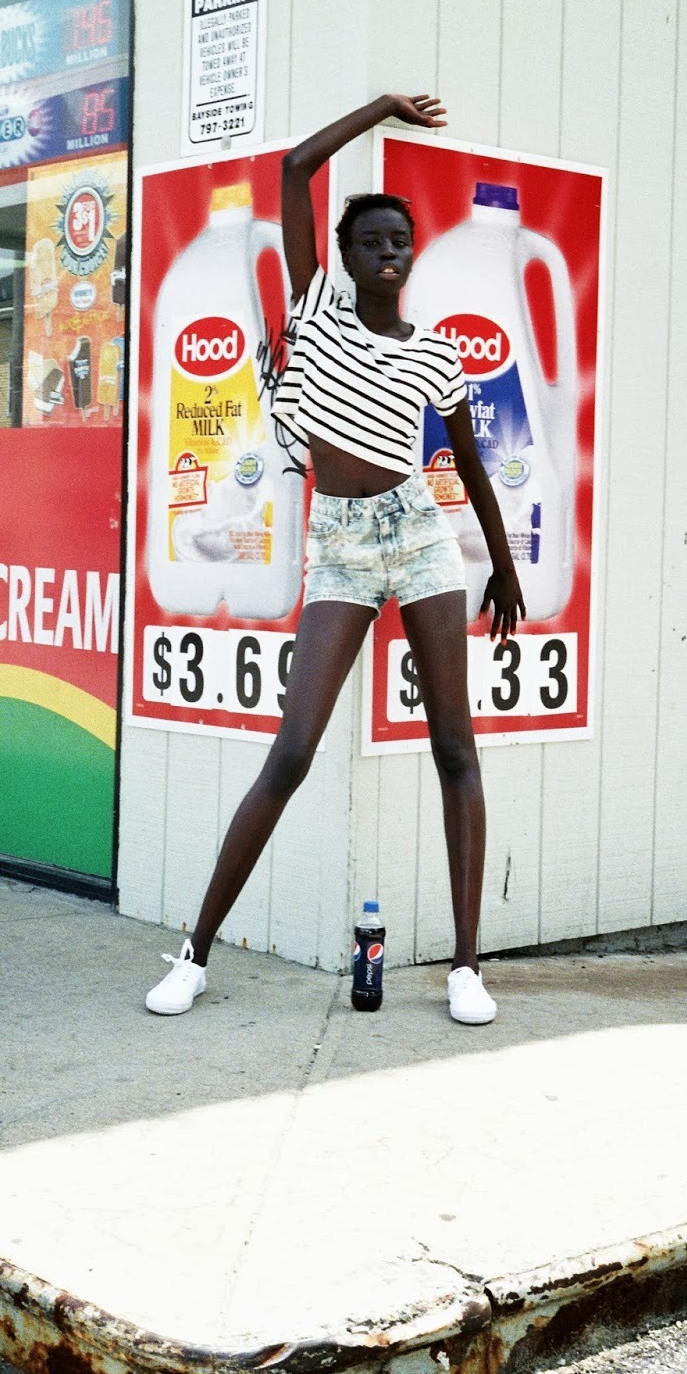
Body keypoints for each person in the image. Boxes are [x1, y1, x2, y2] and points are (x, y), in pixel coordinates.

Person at [145, 93, 524, 1025]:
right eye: (373, 242)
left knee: (454, 749)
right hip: (340, 546)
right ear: (346, 259)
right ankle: (193, 955)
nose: (389, 252)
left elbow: (470, 470)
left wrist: (504, 567)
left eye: (400, 242)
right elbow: (293, 173)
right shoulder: (314, 307)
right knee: (293, 752)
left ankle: (467, 968)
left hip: (419, 535)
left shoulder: (438, 354)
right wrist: (385, 110)